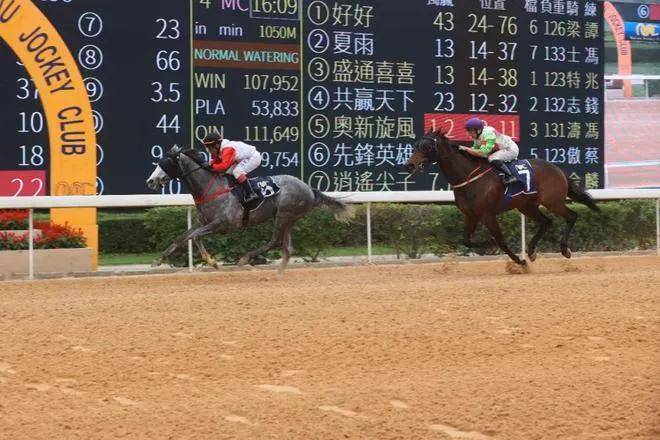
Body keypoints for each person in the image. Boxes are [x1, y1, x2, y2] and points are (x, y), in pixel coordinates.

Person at [202, 133, 261, 203]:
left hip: (253, 157)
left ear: (216, 145)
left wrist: (211, 166)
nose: (209, 151)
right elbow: (216, 162)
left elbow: (224, 166)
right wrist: (209, 165)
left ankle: (251, 193)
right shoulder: (219, 148)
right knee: (229, 172)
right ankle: (238, 190)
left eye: (209, 148)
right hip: (242, 159)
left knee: (237, 172)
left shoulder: (228, 149)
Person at [458, 118, 519, 186]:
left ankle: (510, 176)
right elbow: (475, 149)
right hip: (501, 149)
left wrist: (466, 149)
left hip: (510, 149)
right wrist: (466, 150)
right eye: (468, 131)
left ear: (478, 130)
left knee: (491, 158)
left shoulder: (488, 134)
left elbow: (483, 152)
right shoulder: (477, 136)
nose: (468, 134)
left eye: (470, 131)